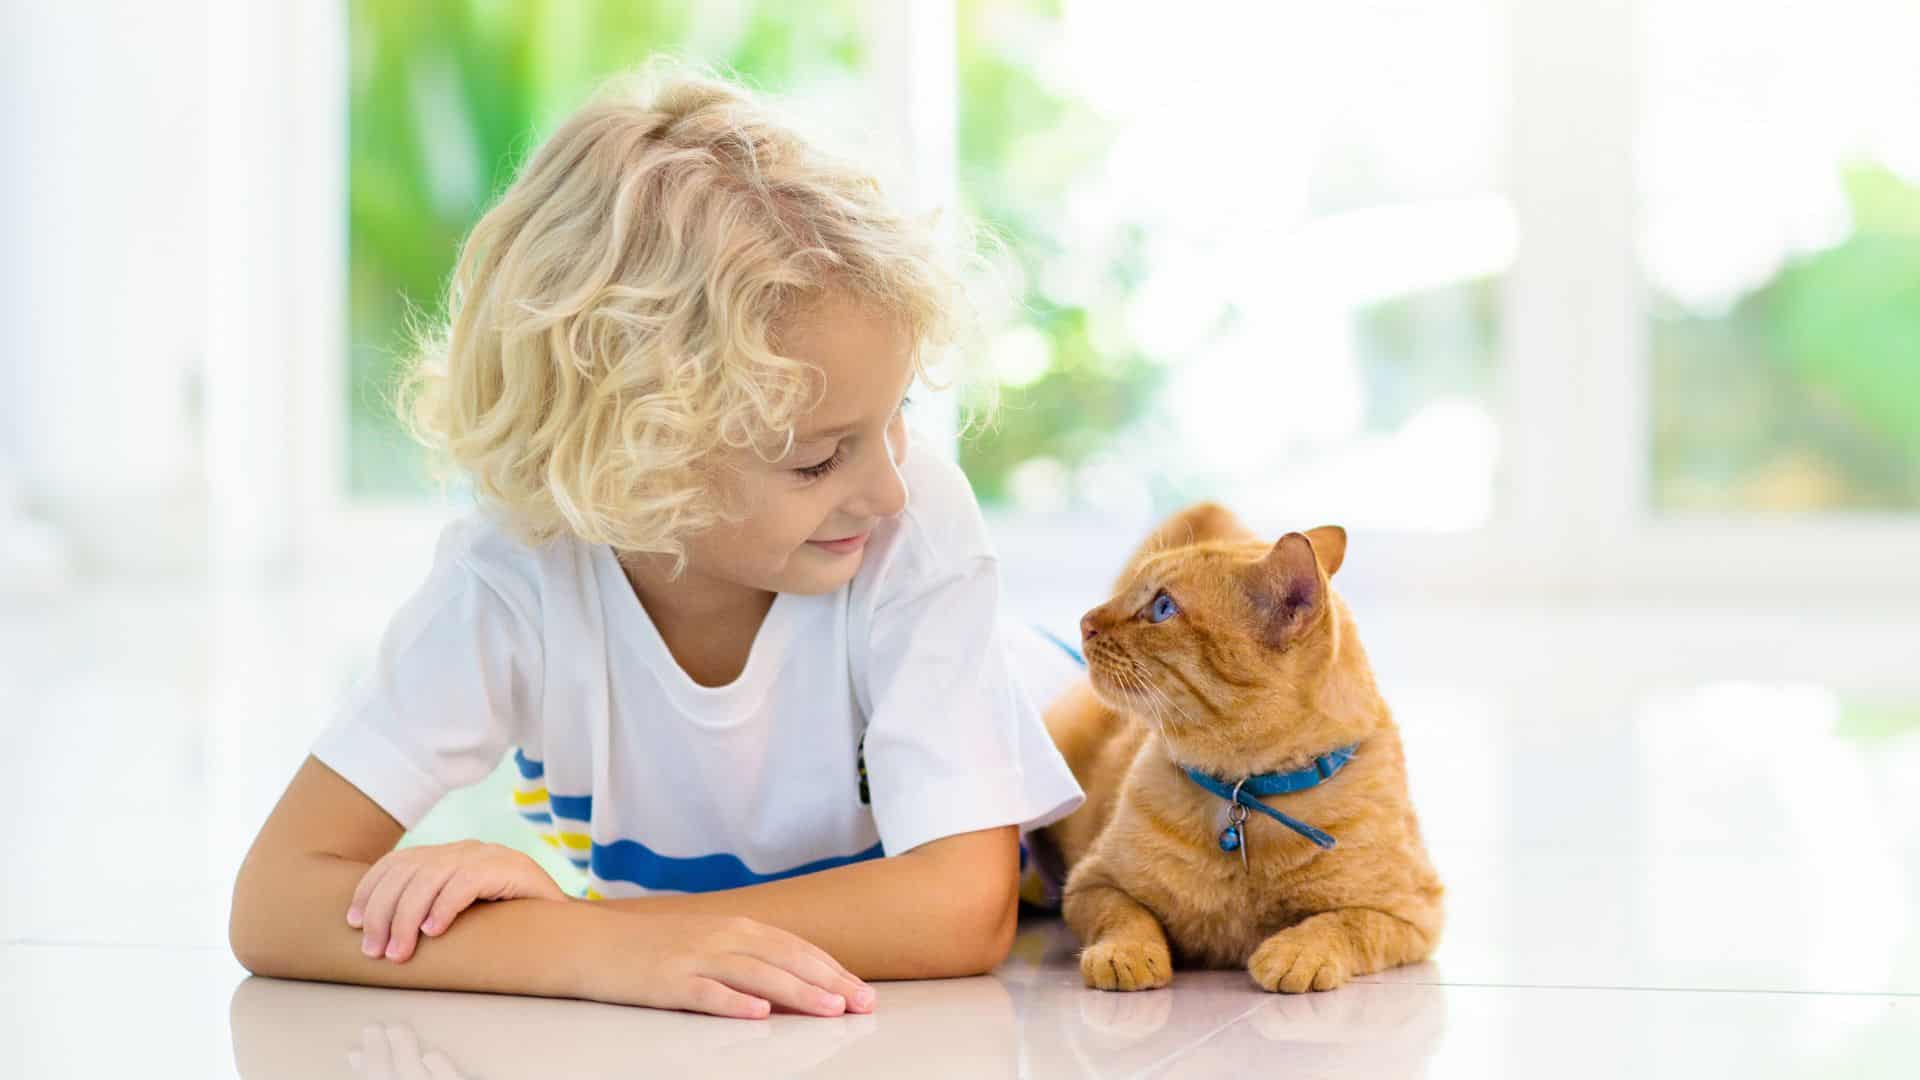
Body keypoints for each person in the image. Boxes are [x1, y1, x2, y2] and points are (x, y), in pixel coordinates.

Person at [229, 69, 1084, 1020]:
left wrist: (596, 935)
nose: (883, 484)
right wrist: (590, 946)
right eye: (814, 460)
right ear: (633, 459)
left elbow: (960, 910)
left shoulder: (912, 517)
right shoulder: (515, 577)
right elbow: (274, 903)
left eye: (898, 418)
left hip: (1085, 739)